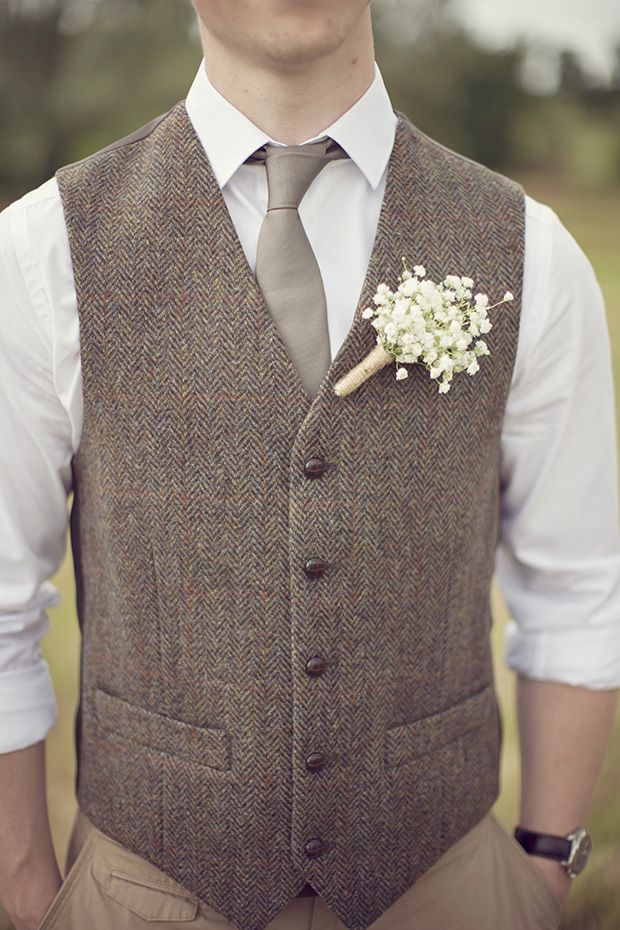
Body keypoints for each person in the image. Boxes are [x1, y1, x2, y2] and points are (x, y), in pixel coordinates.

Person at [1, 2, 619, 929]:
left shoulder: (529, 250)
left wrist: (542, 868)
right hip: (142, 891)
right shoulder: (41, 252)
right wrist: (23, 891)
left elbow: (581, 586)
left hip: (452, 887)